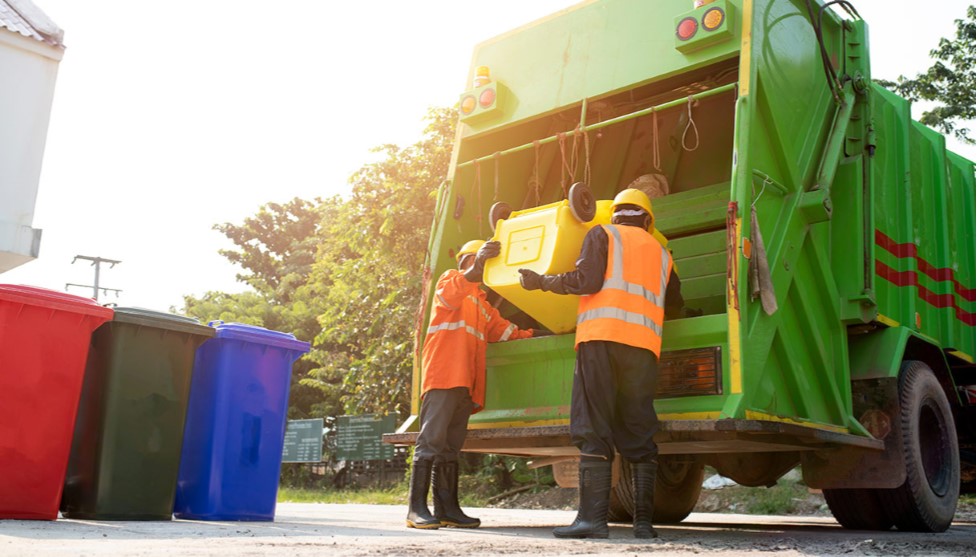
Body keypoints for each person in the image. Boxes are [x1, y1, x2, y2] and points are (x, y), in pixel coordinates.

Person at [517, 188, 683, 539]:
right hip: (643, 348)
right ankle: (643, 523)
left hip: (600, 340)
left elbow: (586, 281)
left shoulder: (603, 234)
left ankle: (592, 520)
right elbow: (676, 305)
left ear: (616, 214)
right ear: (648, 219)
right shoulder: (663, 254)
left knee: (592, 425)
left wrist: (540, 282)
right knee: (639, 429)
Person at [407, 239, 543, 529]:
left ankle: (447, 509)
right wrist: (476, 266)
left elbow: (507, 333)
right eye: (482, 262)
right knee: (431, 441)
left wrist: (541, 333)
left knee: (450, 448)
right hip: (443, 376)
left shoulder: (482, 305)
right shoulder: (450, 280)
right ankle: (415, 509)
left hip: (464, 384)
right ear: (470, 261)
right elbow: (451, 294)